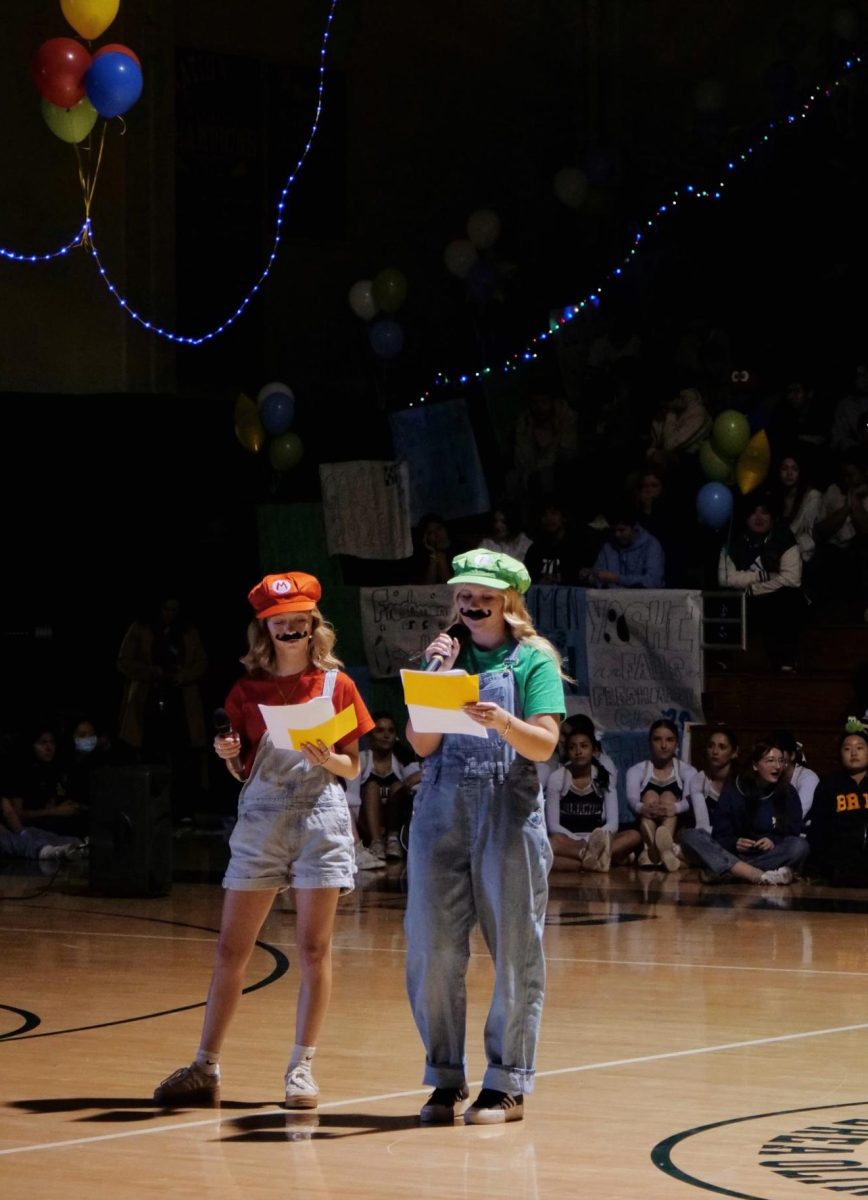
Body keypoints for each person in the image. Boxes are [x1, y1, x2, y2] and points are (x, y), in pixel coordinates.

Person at [153, 570, 374, 1109]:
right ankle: (205, 1065)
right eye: (281, 624)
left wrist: (329, 757)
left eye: (300, 622)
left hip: (319, 818)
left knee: (314, 949)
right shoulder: (245, 689)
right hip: (261, 820)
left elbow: (352, 765)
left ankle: (302, 1067)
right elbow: (245, 769)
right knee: (232, 948)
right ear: (265, 629)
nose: (292, 630)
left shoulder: (335, 685)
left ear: (313, 625)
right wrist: (230, 757)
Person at [404, 549, 566, 1125]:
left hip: (507, 806)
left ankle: (506, 1081)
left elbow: (545, 746)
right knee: (434, 948)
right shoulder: (441, 657)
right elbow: (421, 747)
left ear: (509, 601)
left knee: (515, 951)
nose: (471, 606)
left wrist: (503, 722)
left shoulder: (533, 661)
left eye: (483, 597)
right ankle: (444, 1079)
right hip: (440, 809)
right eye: (463, 596)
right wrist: (435, 675)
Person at [117, 595, 209, 826]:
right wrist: (152, 672)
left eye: (174, 609)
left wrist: (183, 676)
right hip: (148, 701)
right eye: (166, 609)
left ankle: (183, 811)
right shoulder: (141, 628)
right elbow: (124, 661)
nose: (170, 613)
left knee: (183, 758)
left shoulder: (187, 631)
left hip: (181, 701)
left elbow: (201, 662)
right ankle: (149, 810)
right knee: (150, 755)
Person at [680, 740, 809, 884]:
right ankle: (750, 873)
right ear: (755, 765)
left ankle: (731, 873)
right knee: (690, 836)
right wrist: (734, 843)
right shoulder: (734, 789)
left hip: (770, 856)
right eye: (770, 761)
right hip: (733, 854)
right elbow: (720, 834)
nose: (777, 766)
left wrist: (773, 841)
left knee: (800, 846)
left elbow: (792, 832)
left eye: (781, 761)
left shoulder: (788, 793)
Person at [718, 491, 806, 671]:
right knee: (725, 598)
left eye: (764, 512)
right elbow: (725, 578)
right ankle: (723, 659)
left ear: (772, 516)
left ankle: (785, 661)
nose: (759, 517)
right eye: (753, 512)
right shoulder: (734, 541)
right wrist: (763, 576)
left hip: (773, 599)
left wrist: (753, 589)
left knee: (790, 597)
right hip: (747, 601)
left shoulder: (784, 538)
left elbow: (791, 579)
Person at [545, 726, 640, 871]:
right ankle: (604, 859)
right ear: (567, 752)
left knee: (634, 835)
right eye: (572, 747)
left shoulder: (604, 778)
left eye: (584, 746)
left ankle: (590, 861)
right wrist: (583, 844)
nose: (578, 751)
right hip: (568, 842)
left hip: (600, 840)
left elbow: (613, 824)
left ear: (593, 750)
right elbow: (553, 827)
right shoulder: (557, 778)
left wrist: (595, 840)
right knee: (551, 844)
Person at [625, 719, 697, 871]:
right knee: (650, 795)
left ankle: (660, 849)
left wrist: (673, 808)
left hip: (676, 829)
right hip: (645, 824)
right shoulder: (637, 770)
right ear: (650, 742)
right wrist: (642, 808)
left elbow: (690, 800)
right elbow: (631, 800)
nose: (663, 745)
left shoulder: (688, 771)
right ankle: (652, 848)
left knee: (668, 797)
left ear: (677, 743)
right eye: (658, 739)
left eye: (669, 740)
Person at [807, 719, 868, 886]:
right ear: (840, 754)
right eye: (847, 749)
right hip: (840, 864)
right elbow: (818, 829)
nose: (854, 753)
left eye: (860, 748)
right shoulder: (829, 785)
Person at [355, 712, 420, 861]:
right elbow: (351, 800)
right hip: (366, 825)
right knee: (371, 786)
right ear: (370, 736)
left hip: (395, 822)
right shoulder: (362, 759)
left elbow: (416, 783)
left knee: (397, 785)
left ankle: (393, 839)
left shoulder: (402, 759)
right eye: (380, 730)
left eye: (391, 731)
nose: (386, 735)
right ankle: (376, 842)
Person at [588, 502, 666, 589]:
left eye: (622, 530)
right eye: (613, 530)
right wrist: (591, 576)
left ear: (634, 527)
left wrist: (617, 579)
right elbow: (596, 575)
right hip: (612, 600)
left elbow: (654, 581)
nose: (617, 535)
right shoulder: (608, 546)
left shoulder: (651, 545)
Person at [687, 725, 740, 833]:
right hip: (709, 837)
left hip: (737, 840)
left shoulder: (742, 781)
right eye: (711, 746)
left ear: (734, 753)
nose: (715, 752)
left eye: (722, 747)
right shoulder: (699, 780)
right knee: (690, 835)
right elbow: (702, 826)